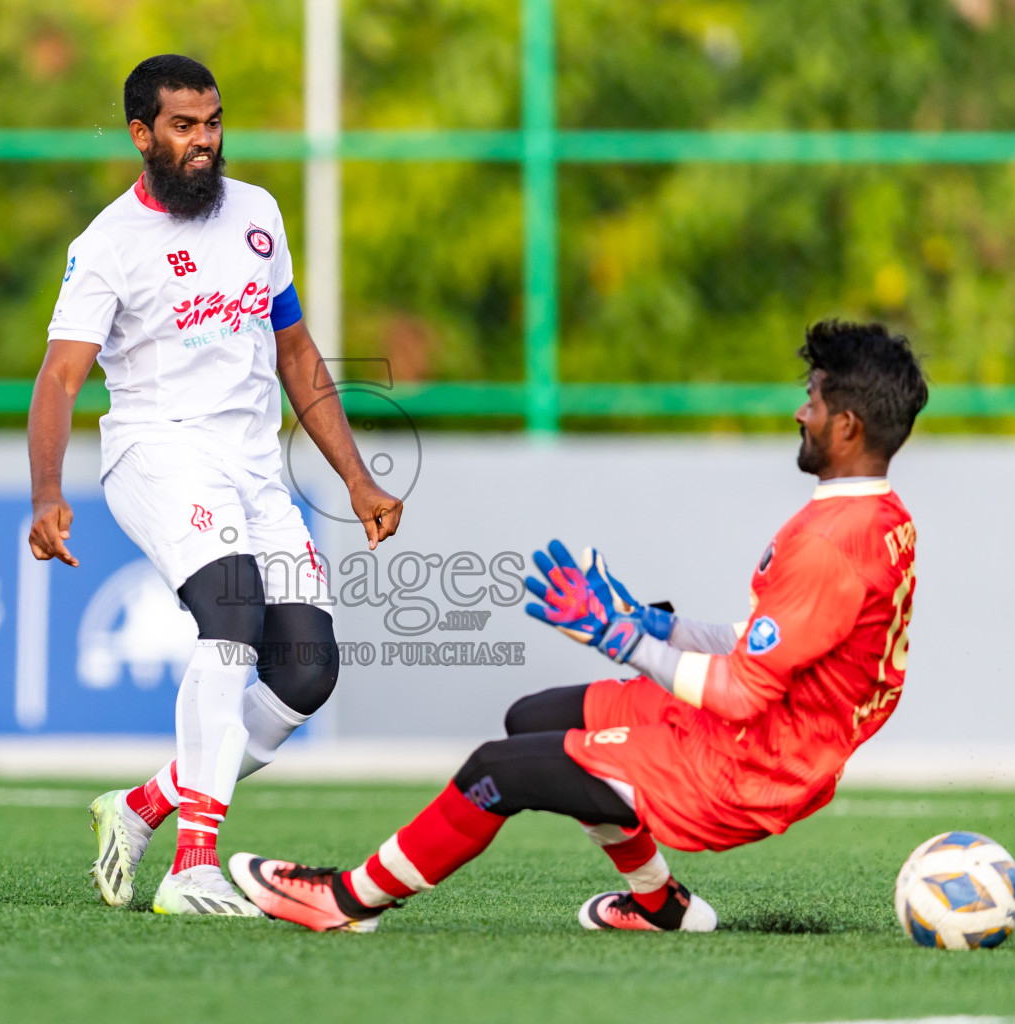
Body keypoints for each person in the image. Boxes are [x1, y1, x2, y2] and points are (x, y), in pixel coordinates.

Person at [231, 321, 928, 932]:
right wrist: (648, 622)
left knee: (494, 774)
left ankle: (347, 901)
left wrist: (623, 641)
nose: (800, 412)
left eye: (813, 399)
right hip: (765, 734)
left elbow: (742, 693)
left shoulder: (831, 542)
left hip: (748, 765)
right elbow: (767, 649)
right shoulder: (879, 518)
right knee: (531, 717)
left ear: (848, 427)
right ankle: (661, 907)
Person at [27, 54, 404, 917]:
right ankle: (193, 863)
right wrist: (47, 495)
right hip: (158, 455)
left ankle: (141, 807)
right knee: (231, 615)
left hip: (254, 468)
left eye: (214, 123)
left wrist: (356, 478)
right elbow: (58, 379)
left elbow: (298, 355)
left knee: (306, 671)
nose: (204, 142)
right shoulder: (109, 245)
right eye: (184, 126)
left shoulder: (259, 214)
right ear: (141, 135)